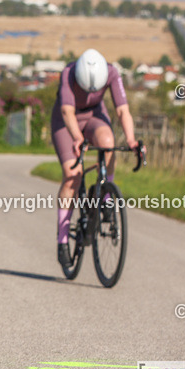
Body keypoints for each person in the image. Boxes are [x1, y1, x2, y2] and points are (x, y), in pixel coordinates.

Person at [51, 48, 138, 270]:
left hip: (94, 116)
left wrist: (131, 140)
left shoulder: (112, 73)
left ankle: (106, 196)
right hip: (66, 120)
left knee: (108, 143)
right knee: (73, 175)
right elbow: (67, 112)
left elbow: (122, 110)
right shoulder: (68, 73)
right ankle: (62, 240)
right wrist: (78, 139)